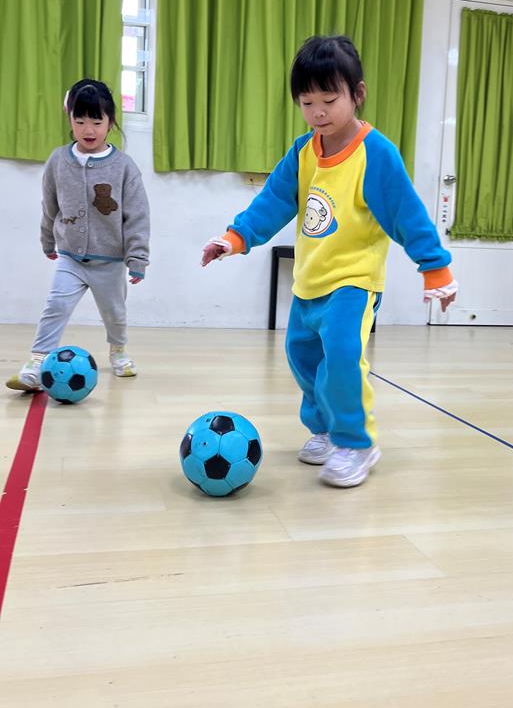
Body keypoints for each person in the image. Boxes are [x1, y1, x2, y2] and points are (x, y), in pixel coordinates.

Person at [202, 35, 457, 488]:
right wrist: (235, 238)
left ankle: (356, 443)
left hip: (354, 282)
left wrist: (434, 267)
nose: (318, 112)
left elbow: (407, 213)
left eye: (329, 99)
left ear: (357, 94)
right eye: (307, 102)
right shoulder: (303, 152)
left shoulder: (375, 154)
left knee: (341, 357)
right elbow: (273, 201)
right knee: (302, 357)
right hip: (309, 281)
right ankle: (323, 429)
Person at [6, 79, 150, 391]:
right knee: (55, 307)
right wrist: (47, 239)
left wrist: (137, 257)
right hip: (70, 257)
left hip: (110, 261)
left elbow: (137, 216)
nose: (88, 129)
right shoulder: (58, 160)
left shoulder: (124, 167)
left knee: (114, 314)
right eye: (80, 120)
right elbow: (50, 205)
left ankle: (118, 351)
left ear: (110, 122)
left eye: (97, 122)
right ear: (69, 117)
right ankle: (37, 361)